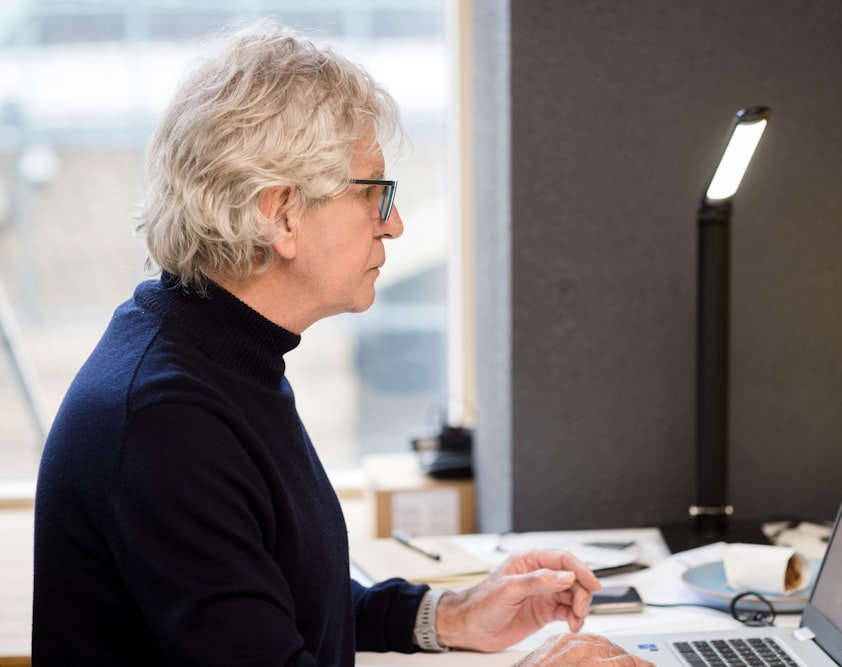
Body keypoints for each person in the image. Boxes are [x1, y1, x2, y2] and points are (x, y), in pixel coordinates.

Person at [30, 18, 654, 667]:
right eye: (375, 193)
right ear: (283, 213)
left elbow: (278, 600)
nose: (396, 224)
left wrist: (450, 615)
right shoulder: (167, 420)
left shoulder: (222, 357)